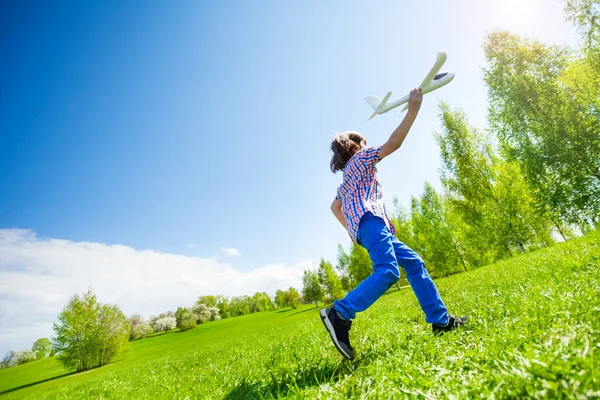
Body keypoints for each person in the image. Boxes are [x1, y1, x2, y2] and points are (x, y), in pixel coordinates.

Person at [320, 88, 467, 360]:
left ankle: (440, 321)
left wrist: (352, 231)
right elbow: (393, 144)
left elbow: (335, 207)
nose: (370, 148)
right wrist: (413, 111)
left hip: (371, 228)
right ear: (355, 147)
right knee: (388, 271)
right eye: (365, 144)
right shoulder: (362, 159)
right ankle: (339, 313)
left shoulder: (345, 182)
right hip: (372, 223)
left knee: (413, 262)